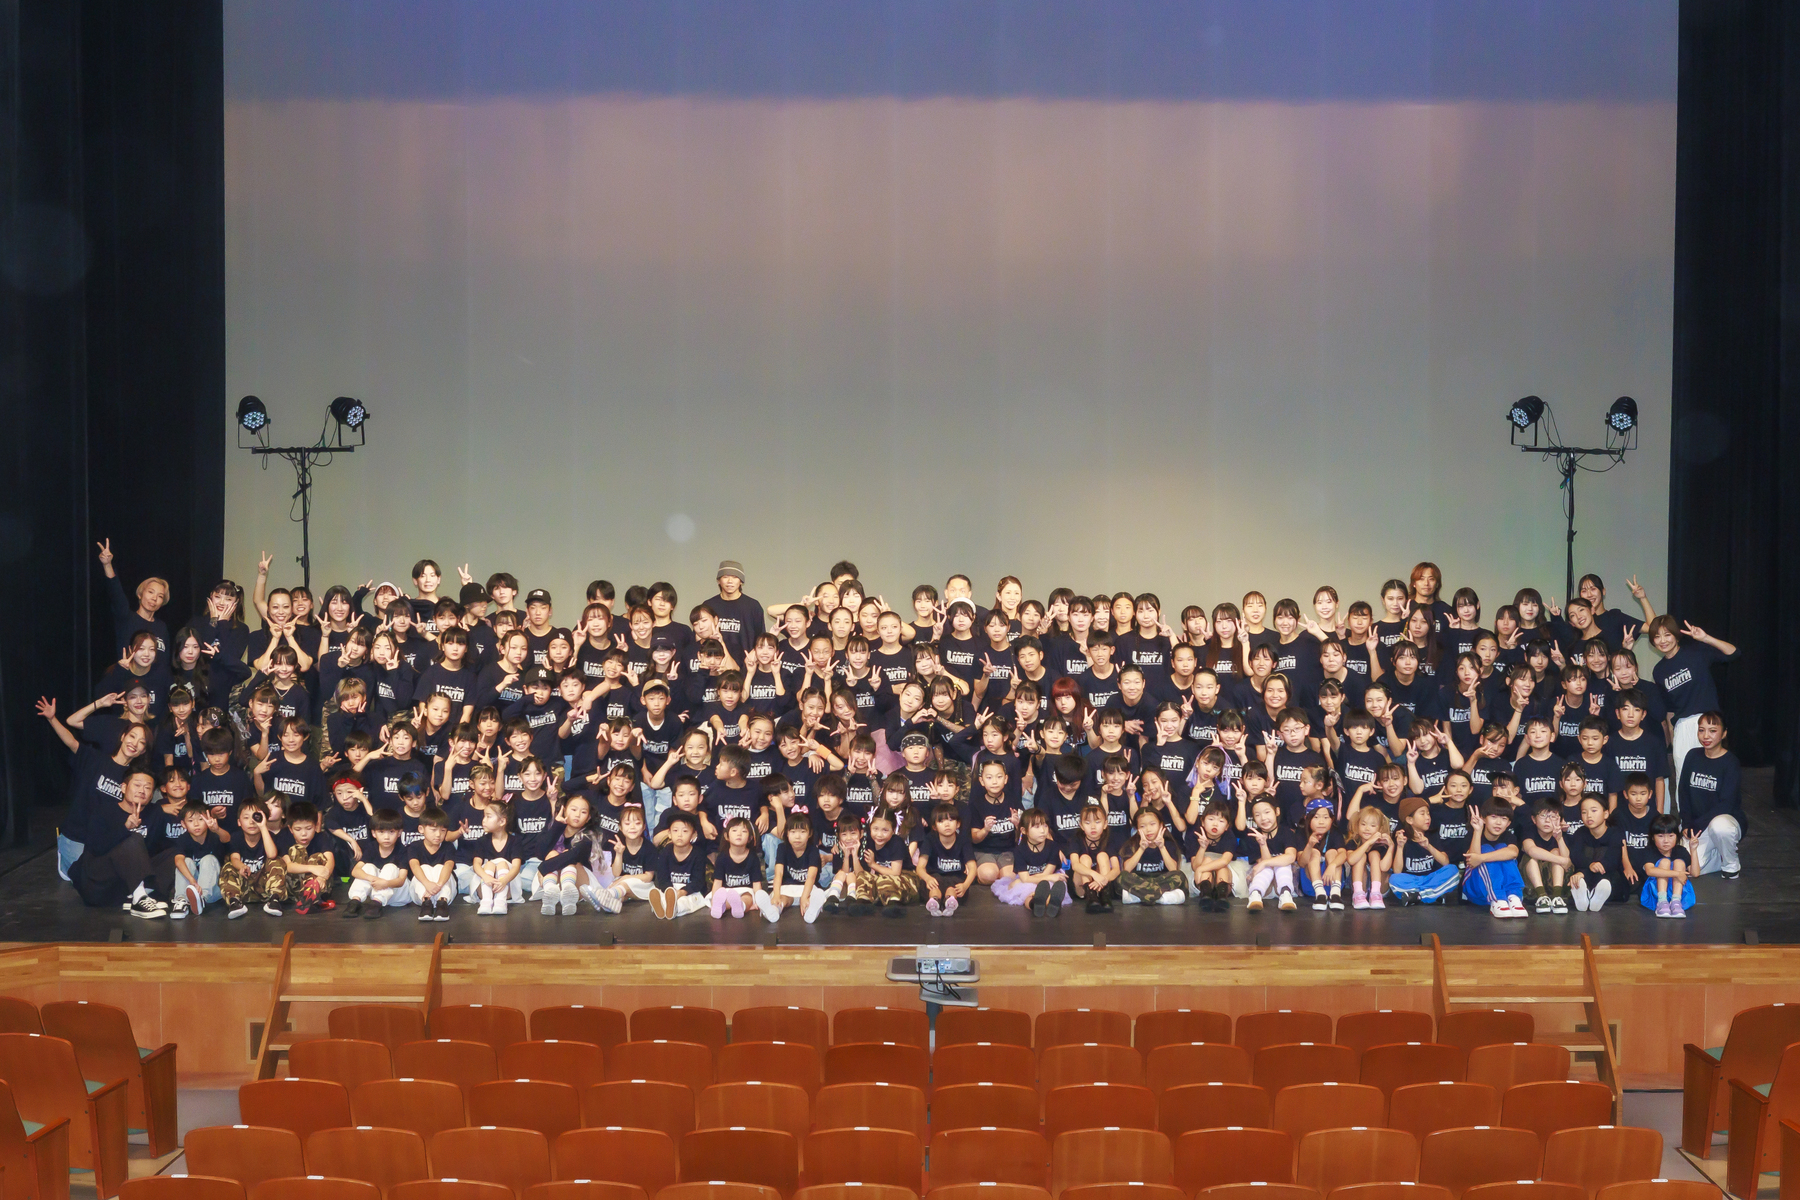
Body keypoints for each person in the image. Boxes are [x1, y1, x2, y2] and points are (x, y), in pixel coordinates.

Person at [1648, 616, 1738, 784]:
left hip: (1708, 722)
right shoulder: (1659, 671)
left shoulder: (1696, 652)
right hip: (1682, 727)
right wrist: (1673, 738)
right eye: (1657, 636)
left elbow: (1733, 653)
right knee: (1684, 779)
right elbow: (1669, 710)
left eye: (1667, 634)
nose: (1663, 640)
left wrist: (1706, 638)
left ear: (1676, 635)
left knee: (1710, 777)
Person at [1678, 711, 1743, 878]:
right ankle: (1717, 855)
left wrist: (1697, 825)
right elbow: (1683, 792)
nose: (1706, 736)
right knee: (1687, 869)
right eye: (1701, 730)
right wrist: (1686, 823)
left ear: (1724, 733)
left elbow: (1726, 804)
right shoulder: (1692, 756)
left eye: (1713, 731)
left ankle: (1730, 864)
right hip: (1696, 826)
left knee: (1720, 827)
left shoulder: (1731, 762)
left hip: (1722, 821)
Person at [1460, 800, 1528, 917]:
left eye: (1503, 819)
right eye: (1493, 817)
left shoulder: (1508, 836)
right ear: (1484, 819)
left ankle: (1513, 896)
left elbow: (1513, 852)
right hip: (1476, 889)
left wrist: (1482, 858)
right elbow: (1472, 860)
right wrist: (1477, 831)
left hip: (1505, 893)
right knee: (1486, 848)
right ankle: (1497, 899)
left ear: (1508, 823)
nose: (1498, 822)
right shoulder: (1472, 835)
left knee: (1503, 849)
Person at [1388, 796, 1461, 905]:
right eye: (1422, 814)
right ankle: (1433, 895)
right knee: (1394, 880)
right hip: (1412, 881)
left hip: (1431, 878)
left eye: (1428, 814)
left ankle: (1416, 896)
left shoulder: (1433, 835)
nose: (1427, 818)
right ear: (1409, 820)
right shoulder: (1402, 838)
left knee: (1453, 870)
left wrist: (1428, 846)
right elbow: (1397, 872)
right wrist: (1400, 847)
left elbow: (1445, 862)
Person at [343, 808, 412, 917]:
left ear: (399, 833)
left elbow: (401, 880)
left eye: (391, 832)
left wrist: (386, 883)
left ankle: (376, 904)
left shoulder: (402, 850)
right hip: (378, 890)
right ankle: (355, 901)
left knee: (390, 867)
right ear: (374, 833)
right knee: (368, 867)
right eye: (381, 832)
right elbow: (355, 871)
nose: (386, 837)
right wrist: (372, 878)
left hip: (398, 895)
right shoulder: (371, 847)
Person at [1118, 807, 1188, 906]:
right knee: (1122, 877)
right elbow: (1127, 869)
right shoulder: (1132, 844)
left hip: (1161, 881)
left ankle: (1140, 897)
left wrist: (1162, 847)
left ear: (1161, 825)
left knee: (1180, 876)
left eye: (1152, 824)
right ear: (1137, 829)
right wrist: (1141, 848)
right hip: (1139, 881)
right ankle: (1161, 898)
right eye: (1142, 826)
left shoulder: (1168, 844)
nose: (1148, 829)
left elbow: (1173, 869)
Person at [1242, 796, 1298, 912]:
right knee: (1267, 867)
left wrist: (1265, 863)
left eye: (1267, 812)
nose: (1263, 818)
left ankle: (1286, 895)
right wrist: (1263, 844)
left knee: (1283, 865)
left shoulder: (1286, 833)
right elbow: (1263, 863)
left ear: (1277, 811)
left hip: (1284, 881)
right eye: (1257, 815)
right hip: (1264, 886)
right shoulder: (1253, 836)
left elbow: (1291, 857)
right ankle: (1255, 895)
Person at [1642, 814, 1695, 918]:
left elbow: (1695, 873)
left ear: (1677, 836)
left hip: (1679, 892)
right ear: (1653, 837)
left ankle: (1676, 902)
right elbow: (1650, 871)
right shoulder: (1649, 851)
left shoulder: (1681, 851)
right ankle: (1662, 902)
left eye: (1670, 836)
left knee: (1679, 862)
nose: (1666, 840)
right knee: (1665, 862)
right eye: (1660, 836)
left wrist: (1693, 849)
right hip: (1656, 893)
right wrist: (1677, 874)